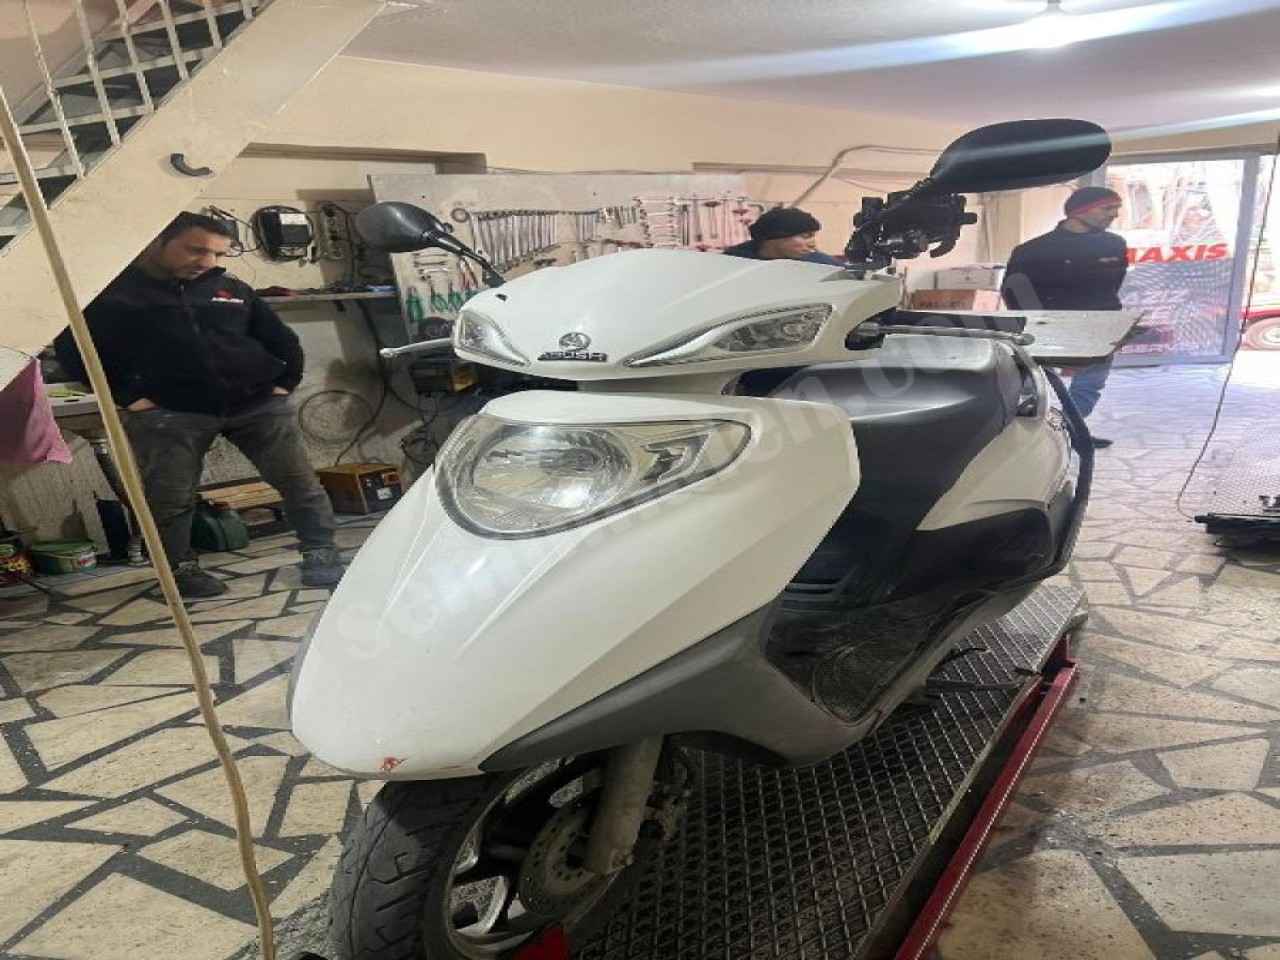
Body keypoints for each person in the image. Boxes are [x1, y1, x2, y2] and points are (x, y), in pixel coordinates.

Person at [54, 212, 345, 598]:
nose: (207, 261)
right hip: (170, 413)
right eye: (195, 250)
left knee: (299, 483)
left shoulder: (230, 288)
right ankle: (180, 569)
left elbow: (283, 340)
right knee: (170, 498)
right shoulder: (110, 295)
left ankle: (320, 551)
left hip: (257, 406)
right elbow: (73, 353)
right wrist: (129, 398)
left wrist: (284, 383)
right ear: (157, 241)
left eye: (218, 254)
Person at [1001, 186, 1128, 448]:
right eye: (1107, 208)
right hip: (1046, 327)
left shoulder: (1114, 244)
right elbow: (1013, 291)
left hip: (1100, 324)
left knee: (1089, 384)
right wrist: (1036, 324)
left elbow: (1114, 282)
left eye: (1116, 208)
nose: (1114, 214)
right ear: (1079, 211)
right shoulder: (1034, 249)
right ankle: (1028, 437)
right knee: (1032, 383)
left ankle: (1070, 429)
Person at [724, 207, 842, 264]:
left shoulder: (822, 265)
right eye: (805, 236)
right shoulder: (732, 263)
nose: (813, 244)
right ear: (775, 237)